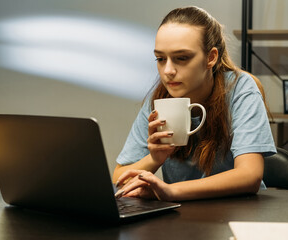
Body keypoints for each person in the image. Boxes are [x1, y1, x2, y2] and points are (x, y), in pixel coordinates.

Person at [113, 6, 276, 201]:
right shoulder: (160, 99)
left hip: (239, 213)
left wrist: (171, 191)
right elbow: (119, 178)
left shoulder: (239, 89)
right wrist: (155, 159)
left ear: (211, 58)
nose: (168, 71)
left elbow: (250, 176)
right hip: (183, 218)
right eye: (160, 59)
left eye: (181, 58)